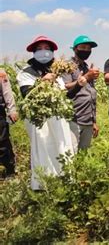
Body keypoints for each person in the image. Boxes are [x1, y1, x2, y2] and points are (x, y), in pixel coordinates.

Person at [17, 35, 75, 190]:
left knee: (61, 147)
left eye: (47, 49)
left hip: (58, 118)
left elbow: (63, 93)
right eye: (39, 49)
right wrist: (43, 81)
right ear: (33, 52)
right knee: (43, 149)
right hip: (39, 120)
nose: (44, 52)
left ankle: (64, 183)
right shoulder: (26, 72)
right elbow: (26, 92)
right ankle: (42, 187)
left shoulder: (57, 73)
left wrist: (78, 84)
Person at [63, 35, 100, 151]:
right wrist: (86, 77)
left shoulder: (86, 67)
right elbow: (65, 87)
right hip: (74, 119)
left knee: (83, 153)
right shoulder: (67, 66)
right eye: (83, 47)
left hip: (87, 119)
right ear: (75, 49)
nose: (86, 50)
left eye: (88, 48)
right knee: (71, 153)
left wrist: (93, 121)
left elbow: (91, 94)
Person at [0, 69, 18, 178]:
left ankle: (10, 170)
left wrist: (12, 110)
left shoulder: (1, 73)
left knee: (2, 143)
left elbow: (7, 92)